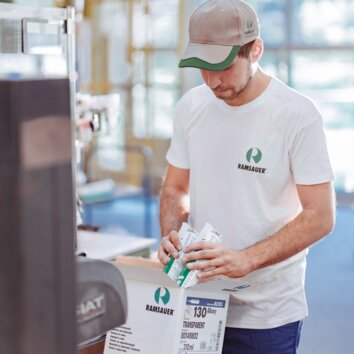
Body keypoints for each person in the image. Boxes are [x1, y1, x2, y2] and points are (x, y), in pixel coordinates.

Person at [157, 0, 336, 353]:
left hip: (266, 313)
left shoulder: (297, 115)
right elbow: (176, 187)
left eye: (221, 67)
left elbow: (321, 216)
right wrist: (171, 234)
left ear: (255, 50)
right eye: (201, 68)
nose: (212, 80)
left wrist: (246, 260)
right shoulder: (191, 106)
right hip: (198, 299)